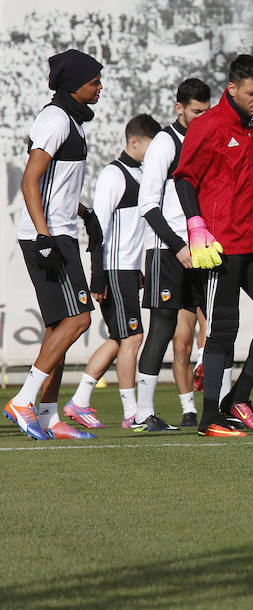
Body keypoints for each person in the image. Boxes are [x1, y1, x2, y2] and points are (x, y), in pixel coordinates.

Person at [174, 54, 253, 437]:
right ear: (232, 89)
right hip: (219, 245)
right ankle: (210, 416)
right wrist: (196, 227)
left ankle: (238, 398)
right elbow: (184, 179)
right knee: (224, 328)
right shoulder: (207, 126)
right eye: (252, 92)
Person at [5, 49, 103, 441]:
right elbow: (31, 179)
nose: (100, 87)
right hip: (48, 237)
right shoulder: (55, 119)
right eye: (94, 81)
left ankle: (46, 417)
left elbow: (55, 184)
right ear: (73, 83)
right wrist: (44, 233)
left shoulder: (72, 120)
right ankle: (24, 399)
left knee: (59, 327)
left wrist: (82, 210)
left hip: (60, 229)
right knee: (79, 319)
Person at [64, 114, 160, 429]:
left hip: (128, 271)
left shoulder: (142, 173)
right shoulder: (113, 175)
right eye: (151, 146)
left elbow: (135, 229)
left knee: (121, 339)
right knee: (133, 337)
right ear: (134, 142)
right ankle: (132, 413)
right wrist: (98, 275)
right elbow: (98, 226)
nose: (156, 153)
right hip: (113, 270)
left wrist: (139, 271)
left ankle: (79, 401)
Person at [134, 78, 212, 430]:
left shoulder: (206, 140)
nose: (202, 117)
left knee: (215, 324)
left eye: (206, 111)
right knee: (162, 328)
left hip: (200, 249)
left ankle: (213, 405)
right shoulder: (165, 142)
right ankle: (142, 413)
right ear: (180, 108)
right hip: (168, 249)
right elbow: (148, 205)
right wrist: (177, 246)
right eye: (196, 111)